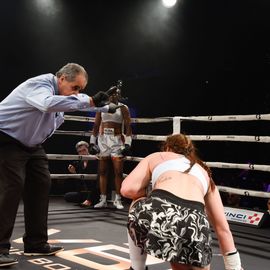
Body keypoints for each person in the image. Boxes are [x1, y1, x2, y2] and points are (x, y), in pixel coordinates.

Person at [0, 63, 120, 267]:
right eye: (75, 88)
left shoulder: (63, 95)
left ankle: (36, 243)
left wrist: (104, 106)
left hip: (32, 145)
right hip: (6, 138)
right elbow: (47, 104)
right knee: (11, 187)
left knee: (41, 185)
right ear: (62, 78)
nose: (77, 93)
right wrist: (90, 101)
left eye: (80, 89)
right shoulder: (39, 85)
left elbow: (76, 102)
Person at [120, 133, 244, 270]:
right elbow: (223, 228)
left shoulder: (158, 157)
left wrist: (151, 193)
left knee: (138, 202)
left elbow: (127, 189)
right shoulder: (205, 173)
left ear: (167, 147)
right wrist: (235, 267)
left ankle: (137, 267)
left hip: (161, 212)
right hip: (195, 224)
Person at [89, 86, 132, 210]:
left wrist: (128, 143)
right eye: (112, 94)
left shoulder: (123, 108)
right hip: (103, 140)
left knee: (118, 171)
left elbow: (128, 127)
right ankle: (102, 199)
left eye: (116, 94)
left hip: (117, 139)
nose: (113, 96)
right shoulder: (102, 107)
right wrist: (92, 142)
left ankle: (118, 199)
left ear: (119, 95)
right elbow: (96, 125)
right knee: (102, 171)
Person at [65, 140, 99, 207]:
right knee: (67, 196)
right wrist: (74, 173)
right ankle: (89, 199)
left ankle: (90, 199)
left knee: (95, 190)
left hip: (96, 190)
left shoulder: (94, 160)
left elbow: (97, 182)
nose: (82, 153)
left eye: (84, 150)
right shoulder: (80, 163)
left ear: (88, 149)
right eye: (80, 151)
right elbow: (80, 185)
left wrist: (89, 199)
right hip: (86, 191)